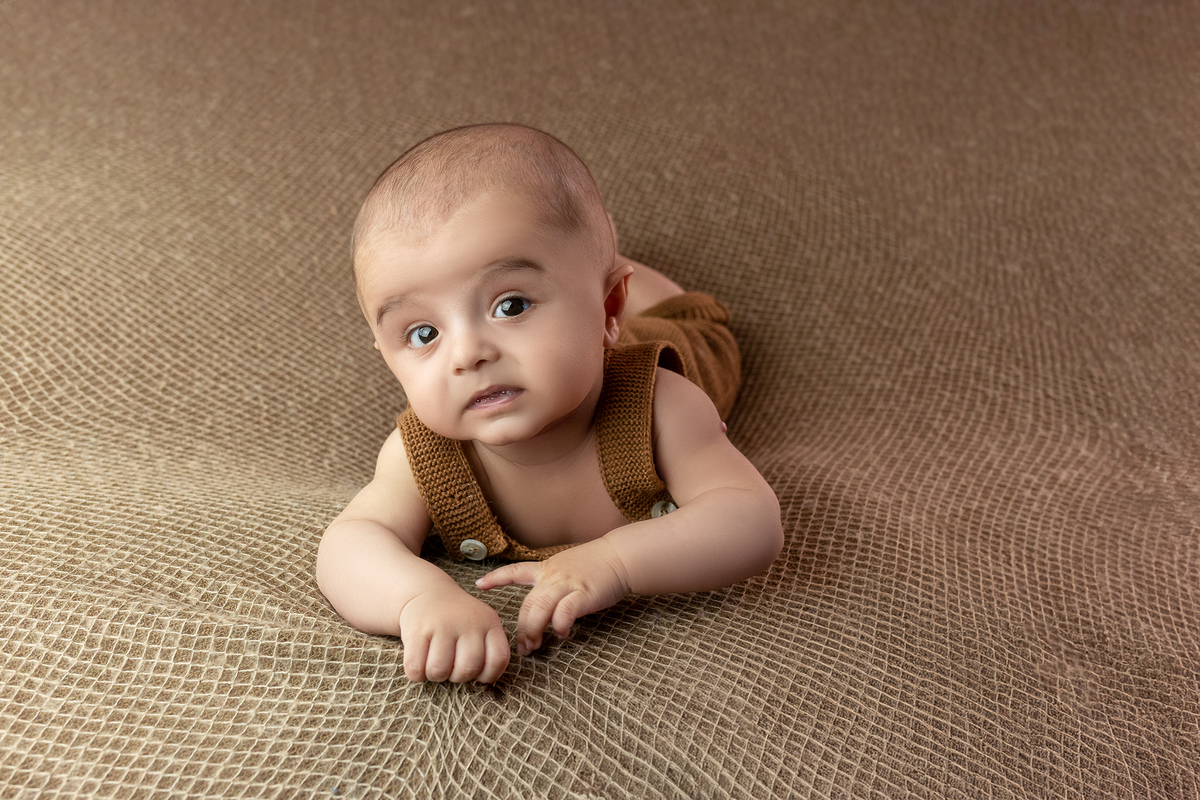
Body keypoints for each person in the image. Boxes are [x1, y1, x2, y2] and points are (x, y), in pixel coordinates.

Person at [316, 123, 783, 684]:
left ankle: (613, 264)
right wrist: (418, 598)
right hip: (595, 316)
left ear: (609, 305)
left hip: (653, 340)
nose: (467, 354)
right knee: (573, 263)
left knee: (686, 316)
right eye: (422, 334)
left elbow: (749, 520)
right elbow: (350, 543)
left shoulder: (663, 406)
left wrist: (615, 562)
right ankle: (580, 258)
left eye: (510, 305)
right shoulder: (424, 456)